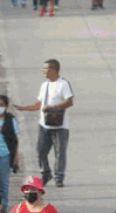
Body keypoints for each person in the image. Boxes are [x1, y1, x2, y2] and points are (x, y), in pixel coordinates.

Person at [14, 59, 73, 188]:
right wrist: (24, 108)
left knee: (60, 152)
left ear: (55, 70)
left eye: (47, 69)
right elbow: (40, 104)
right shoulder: (44, 85)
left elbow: (69, 102)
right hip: (44, 125)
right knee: (41, 151)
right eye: (43, 69)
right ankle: (46, 173)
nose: (44, 71)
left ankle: (59, 177)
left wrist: (53, 107)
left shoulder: (63, 84)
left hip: (59, 126)